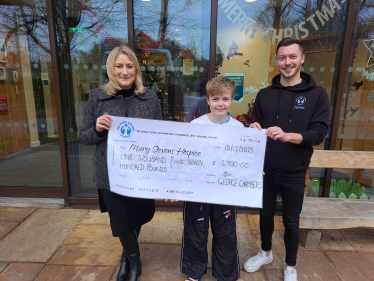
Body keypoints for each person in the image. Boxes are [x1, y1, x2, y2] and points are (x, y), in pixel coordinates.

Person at [243, 37, 329, 281]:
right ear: (277, 61)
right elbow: (256, 128)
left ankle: (291, 265)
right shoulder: (264, 94)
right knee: (265, 215)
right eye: (282, 57)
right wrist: (254, 128)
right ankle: (266, 252)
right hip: (267, 170)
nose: (287, 62)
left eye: (292, 56)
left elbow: (319, 133)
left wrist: (288, 135)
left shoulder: (318, 95)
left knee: (291, 220)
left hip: (295, 170)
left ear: (302, 59)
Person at [79, 45, 162, 281]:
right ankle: (134, 262)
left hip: (140, 171)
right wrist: (97, 129)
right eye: (119, 66)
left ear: (136, 69)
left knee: (137, 214)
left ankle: (127, 255)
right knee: (120, 218)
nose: (124, 72)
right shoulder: (98, 96)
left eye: (129, 66)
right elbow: (83, 136)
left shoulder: (149, 97)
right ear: (111, 69)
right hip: (110, 172)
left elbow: (160, 136)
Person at [180, 76, 243, 281]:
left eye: (225, 99)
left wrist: (250, 172)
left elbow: (243, 159)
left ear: (232, 100)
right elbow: (185, 158)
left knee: (225, 234)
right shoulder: (195, 125)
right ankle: (194, 272)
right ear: (207, 100)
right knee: (195, 231)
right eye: (215, 99)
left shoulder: (238, 128)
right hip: (198, 190)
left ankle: (225, 274)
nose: (220, 104)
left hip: (225, 191)